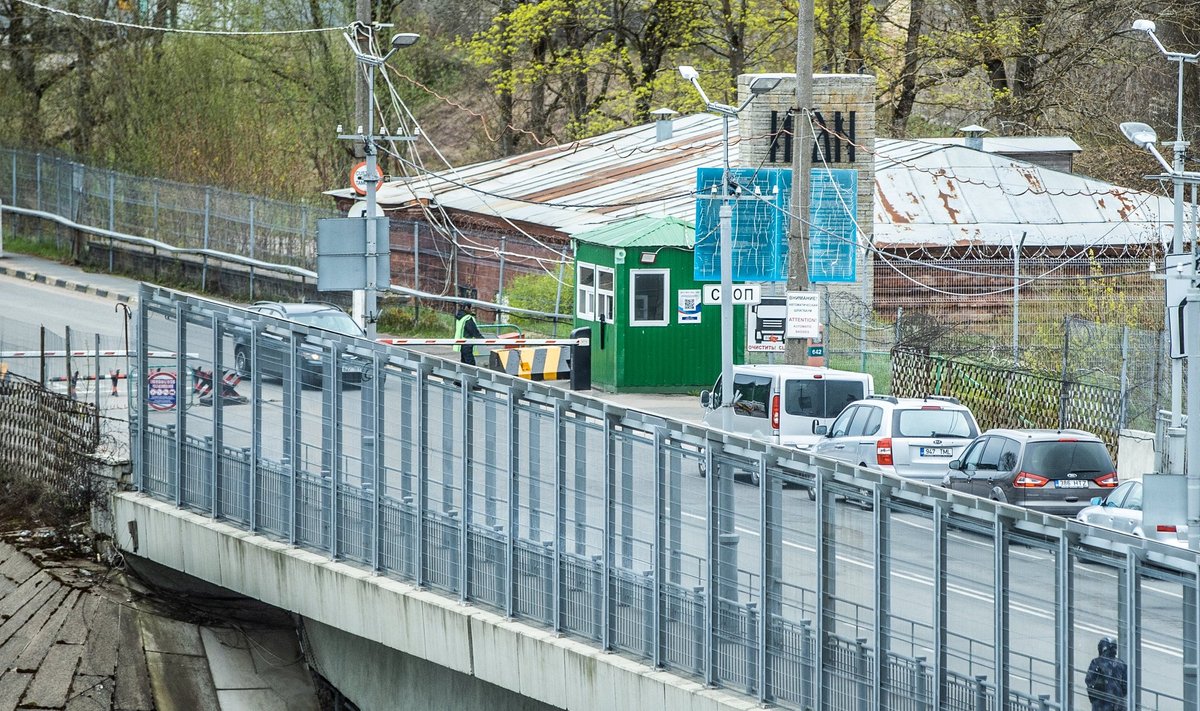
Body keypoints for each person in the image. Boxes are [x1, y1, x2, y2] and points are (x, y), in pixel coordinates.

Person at [1085, 636, 1127, 711]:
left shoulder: (1096, 662)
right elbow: (1125, 687)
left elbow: (1088, 679)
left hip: (1100, 704)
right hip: (1118, 705)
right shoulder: (1122, 664)